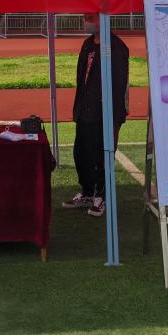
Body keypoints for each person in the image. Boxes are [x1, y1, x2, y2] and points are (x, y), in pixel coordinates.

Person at [63, 13, 129, 217]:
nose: (86, 21)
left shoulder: (116, 47)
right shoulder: (87, 44)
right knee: (81, 153)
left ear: (104, 18)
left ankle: (102, 196)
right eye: (85, 17)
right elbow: (82, 79)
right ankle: (87, 192)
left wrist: (114, 116)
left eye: (91, 17)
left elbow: (119, 84)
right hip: (86, 111)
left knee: (102, 156)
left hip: (105, 113)